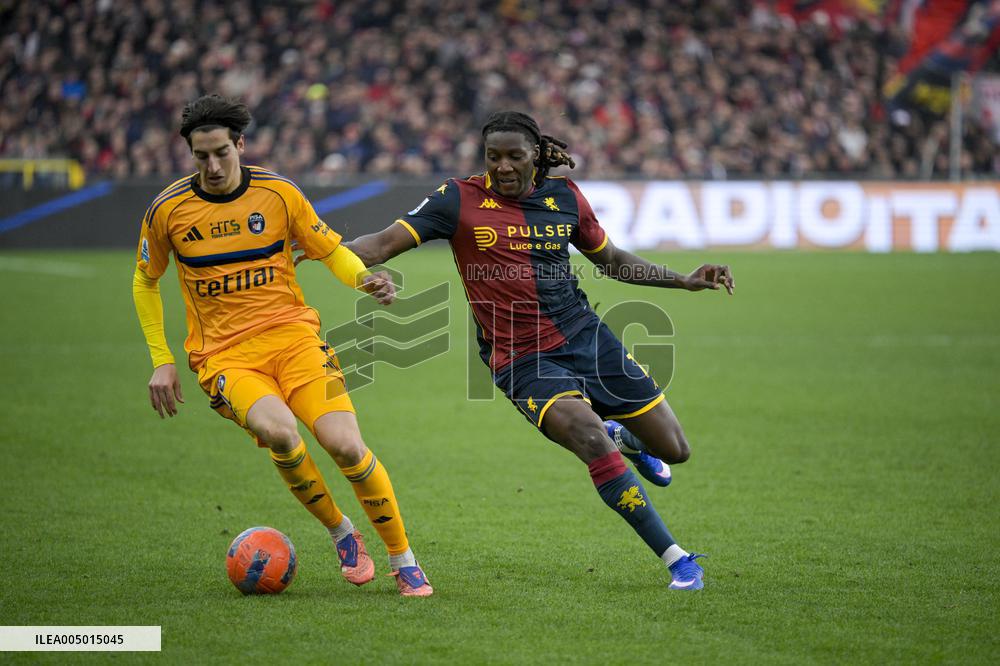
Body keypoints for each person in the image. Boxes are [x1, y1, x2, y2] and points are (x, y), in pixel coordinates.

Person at [336, 110, 734, 591]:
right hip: (522, 359)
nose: (501, 167)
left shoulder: (565, 197)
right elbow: (378, 245)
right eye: (492, 157)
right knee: (590, 438)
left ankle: (626, 437)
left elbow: (610, 260)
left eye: (513, 157)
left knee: (676, 449)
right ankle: (678, 559)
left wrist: (685, 280)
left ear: (535, 157)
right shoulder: (457, 198)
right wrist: (319, 242)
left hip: (588, 338)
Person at [132, 94, 432, 597]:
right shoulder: (168, 210)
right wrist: (162, 360)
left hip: (295, 340)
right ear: (189, 153)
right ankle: (342, 531)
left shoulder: (279, 194)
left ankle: (404, 560)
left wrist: (365, 281)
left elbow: (330, 249)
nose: (212, 165)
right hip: (224, 356)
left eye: (221, 152)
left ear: (240, 144)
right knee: (281, 434)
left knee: (345, 445)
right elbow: (144, 281)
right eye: (200, 156)